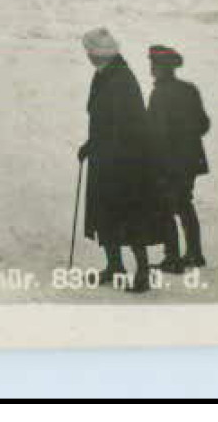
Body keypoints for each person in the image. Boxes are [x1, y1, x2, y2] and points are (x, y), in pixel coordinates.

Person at [78, 28, 166, 293]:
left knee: (131, 216)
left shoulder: (121, 80)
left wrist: (112, 154)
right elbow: (102, 121)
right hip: (105, 158)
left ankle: (142, 273)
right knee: (105, 214)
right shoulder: (103, 76)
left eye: (90, 52)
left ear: (101, 54)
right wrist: (91, 145)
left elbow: (127, 126)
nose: (88, 56)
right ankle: (114, 265)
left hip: (127, 163)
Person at [146, 45, 211, 272]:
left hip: (167, 163)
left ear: (162, 68)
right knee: (184, 205)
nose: (151, 68)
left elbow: (155, 133)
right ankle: (195, 254)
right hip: (190, 161)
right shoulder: (189, 89)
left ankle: (172, 258)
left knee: (165, 207)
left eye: (154, 65)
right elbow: (204, 124)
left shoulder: (160, 94)